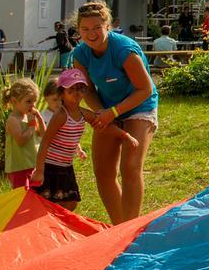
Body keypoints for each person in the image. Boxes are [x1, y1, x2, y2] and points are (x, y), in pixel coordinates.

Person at [70, 0, 159, 224]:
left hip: (140, 105)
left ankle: (131, 229)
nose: (91, 34)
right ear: (79, 30)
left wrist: (114, 111)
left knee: (129, 166)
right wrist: (102, 113)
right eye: (85, 30)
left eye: (96, 28)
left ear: (107, 26)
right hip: (108, 108)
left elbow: (145, 88)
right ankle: (119, 229)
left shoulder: (123, 50)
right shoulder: (80, 55)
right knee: (103, 171)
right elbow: (87, 90)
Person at [32, 68, 137, 212]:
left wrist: (124, 135)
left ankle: (55, 224)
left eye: (80, 89)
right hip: (51, 166)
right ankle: (46, 226)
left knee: (70, 203)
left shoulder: (83, 113)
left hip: (66, 166)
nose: (76, 93)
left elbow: (102, 125)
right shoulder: (61, 115)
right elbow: (45, 142)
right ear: (62, 93)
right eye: (71, 89)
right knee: (48, 202)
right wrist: (39, 170)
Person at [2, 77, 44, 189]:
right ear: (15, 101)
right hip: (19, 167)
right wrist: (31, 125)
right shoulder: (13, 120)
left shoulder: (29, 117)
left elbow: (43, 134)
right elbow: (20, 140)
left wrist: (39, 119)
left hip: (34, 164)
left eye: (34, 101)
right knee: (21, 195)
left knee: (36, 195)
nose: (33, 105)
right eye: (28, 101)